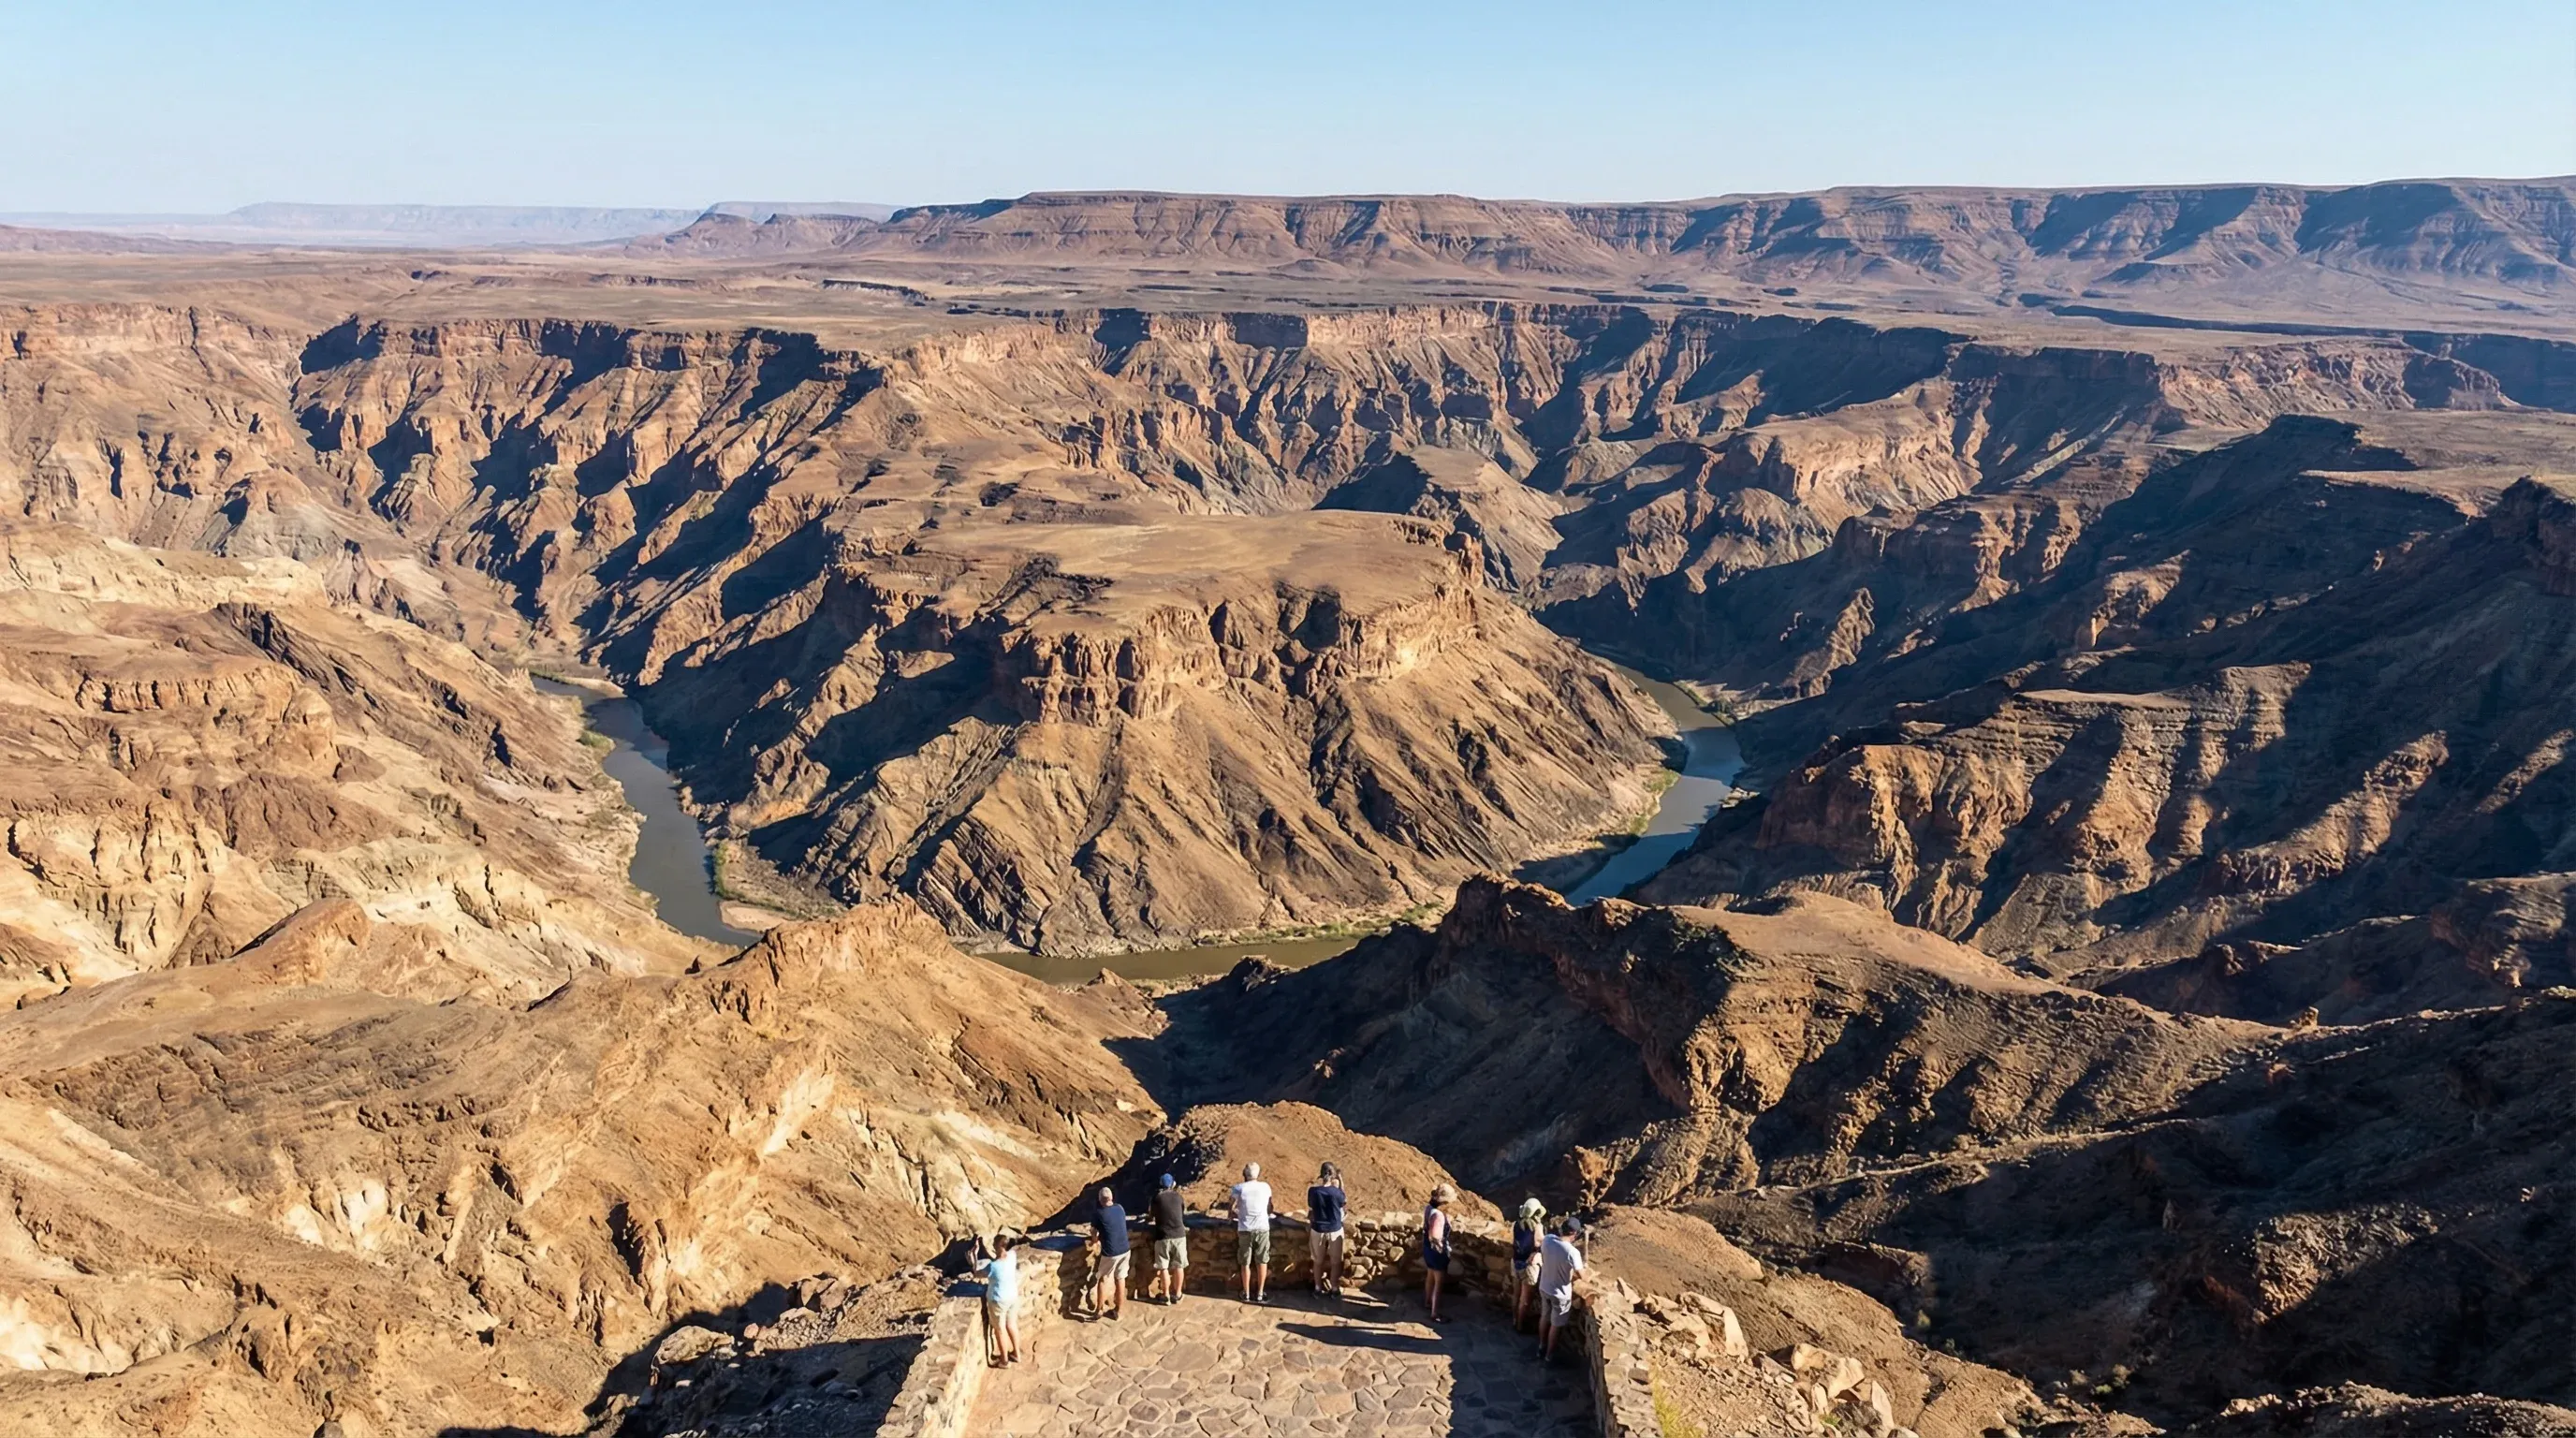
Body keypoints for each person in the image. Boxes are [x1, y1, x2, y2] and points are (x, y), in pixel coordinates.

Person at [1536, 1215, 1587, 1362]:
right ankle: (1549, 1356)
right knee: (1556, 1325)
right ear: (1574, 1234)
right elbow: (1582, 1276)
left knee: (1544, 1317)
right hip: (1560, 1294)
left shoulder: (1548, 1239)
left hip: (1544, 1287)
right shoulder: (1572, 1252)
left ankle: (1541, 1346)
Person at [973, 1232, 1022, 1366]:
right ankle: (1017, 1354)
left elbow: (977, 1274)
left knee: (1000, 1330)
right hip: (1012, 1296)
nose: (993, 1247)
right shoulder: (1012, 1256)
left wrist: (973, 1256)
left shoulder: (993, 1267)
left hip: (998, 1299)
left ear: (1000, 1247)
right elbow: (998, 1258)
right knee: (1012, 1325)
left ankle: (1004, 1361)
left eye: (995, 1244)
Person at [1231, 1161, 1273, 1303]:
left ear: (1245, 1174)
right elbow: (1270, 1208)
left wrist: (1237, 1214)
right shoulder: (1266, 1187)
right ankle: (1260, 1293)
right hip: (1262, 1228)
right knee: (1262, 1261)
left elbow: (1231, 1208)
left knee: (1245, 1262)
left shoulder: (1238, 1188)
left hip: (1245, 1229)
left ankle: (1246, 1293)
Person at [1306, 1162, 1348, 1299]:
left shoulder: (1313, 1191)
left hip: (1318, 1229)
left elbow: (1311, 1206)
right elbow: (1344, 1201)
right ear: (1332, 1175)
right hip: (1335, 1229)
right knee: (1336, 1261)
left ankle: (1318, 1288)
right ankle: (1334, 1288)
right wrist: (1341, 1181)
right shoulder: (1337, 1193)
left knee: (1318, 1261)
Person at [1091, 1186, 1131, 1321]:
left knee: (1103, 1278)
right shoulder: (1120, 1208)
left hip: (1111, 1251)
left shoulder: (1099, 1213)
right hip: (1125, 1249)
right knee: (1120, 1278)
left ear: (1100, 1200)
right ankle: (1119, 1311)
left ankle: (1099, 1310)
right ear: (1111, 1198)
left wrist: (1095, 1241)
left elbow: (1094, 1233)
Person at [1149, 1172, 1189, 1304]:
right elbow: (1182, 1213)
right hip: (1179, 1234)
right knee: (1179, 1266)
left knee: (1163, 1266)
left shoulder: (1157, 1198)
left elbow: (1151, 1215)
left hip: (1162, 1235)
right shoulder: (1179, 1197)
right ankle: (1178, 1294)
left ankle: (1165, 1295)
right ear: (1173, 1184)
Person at [1511, 1196, 1546, 1332]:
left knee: (1515, 1294)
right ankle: (1520, 1326)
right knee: (1525, 1298)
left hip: (1515, 1261)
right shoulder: (1537, 1226)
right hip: (1529, 1265)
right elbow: (1541, 1243)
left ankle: (1514, 1320)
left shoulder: (1516, 1224)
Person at [1421, 1183, 1456, 1323]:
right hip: (1437, 1252)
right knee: (1439, 1282)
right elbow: (1435, 1235)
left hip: (1427, 1249)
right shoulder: (1438, 1215)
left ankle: (1427, 1301)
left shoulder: (1428, 1209)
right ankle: (1435, 1313)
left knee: (1430, 1276)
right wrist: (1442, 1248)